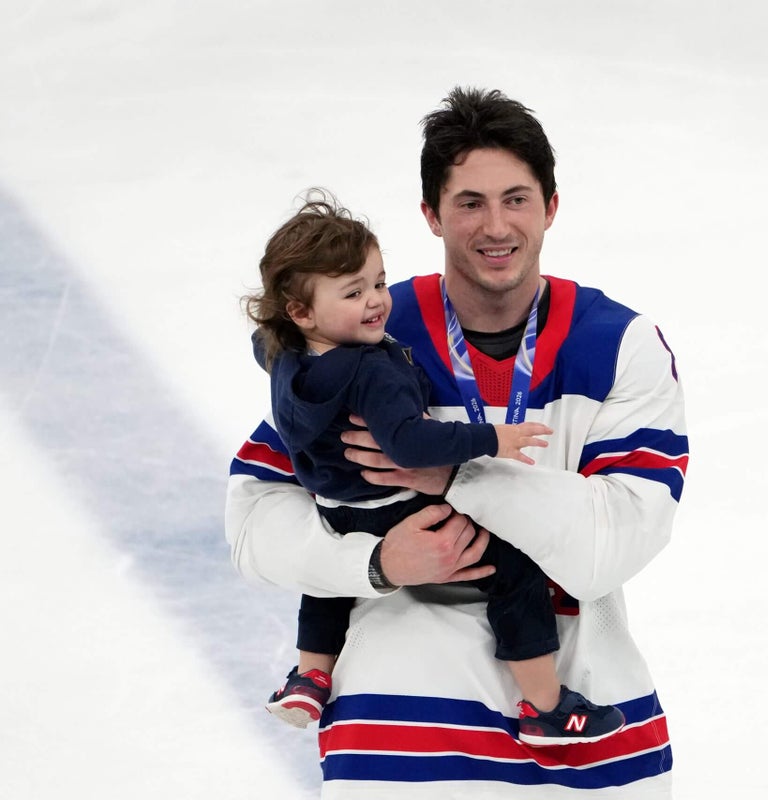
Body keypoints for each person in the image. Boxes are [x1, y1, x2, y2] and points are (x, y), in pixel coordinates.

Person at [226, 86, 688, 798]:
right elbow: (256, 522)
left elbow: (609, 549)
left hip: (581, 732)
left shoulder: (620, 345)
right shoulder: (365, 332)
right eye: (469, 202)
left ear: (551, 207)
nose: (495, 225)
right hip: (396, 731)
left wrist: (452, 476)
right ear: (432, 215)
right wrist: (377, 562)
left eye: (516, 198)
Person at [241, 190, 625, 746]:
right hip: (397, 507)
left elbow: (264, 340)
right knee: (514, 568)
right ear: (300, 311)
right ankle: (546, 705)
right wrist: (493, 438)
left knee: (327, 585)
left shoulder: (279, 354)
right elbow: (410, 443)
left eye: (377, 281)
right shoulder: (372, 371)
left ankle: (309, 675)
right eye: (354, 292)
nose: (377, 301)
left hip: (336, 510)